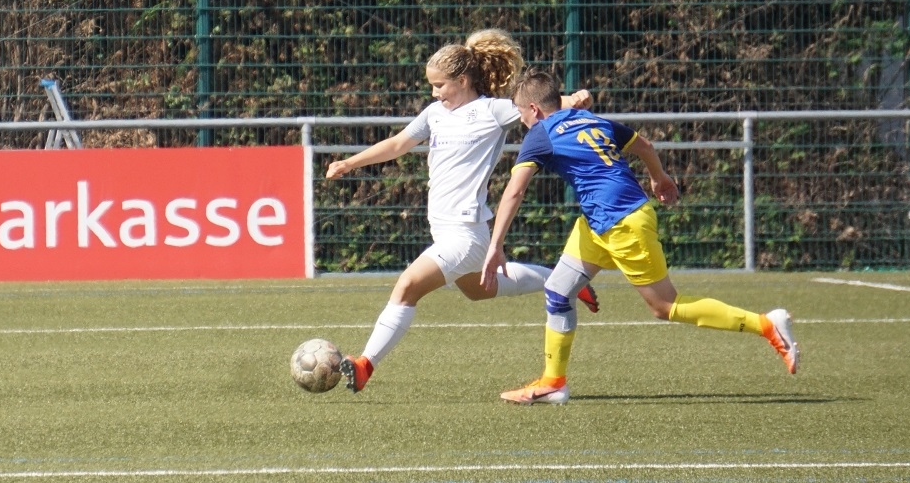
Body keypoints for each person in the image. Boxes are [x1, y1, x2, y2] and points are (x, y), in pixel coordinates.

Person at [482, 67, 800, 406]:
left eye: (520, 112)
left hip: (622, 222)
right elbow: (644, 145)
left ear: (533, 109)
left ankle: (766, 325)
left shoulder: (540, 133)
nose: (521, 121)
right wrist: (659, 177)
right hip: (598, 222)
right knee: (558, 290)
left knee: (665, 306)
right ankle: (553, 383)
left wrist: (495, 245)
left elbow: (515, 191)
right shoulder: (591, 119)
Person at [325, 29, 600, 393]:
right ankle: (560, 281)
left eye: (439, 85)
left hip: (466, 233)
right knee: (480, 290)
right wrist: (350, 163)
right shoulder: (434, 114)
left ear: (463, 80)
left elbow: (543, 105)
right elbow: (397, 144)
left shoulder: (491, 110)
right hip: (446, 231)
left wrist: (574, 98)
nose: (434, 93)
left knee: (407, 286)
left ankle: (365, 365)